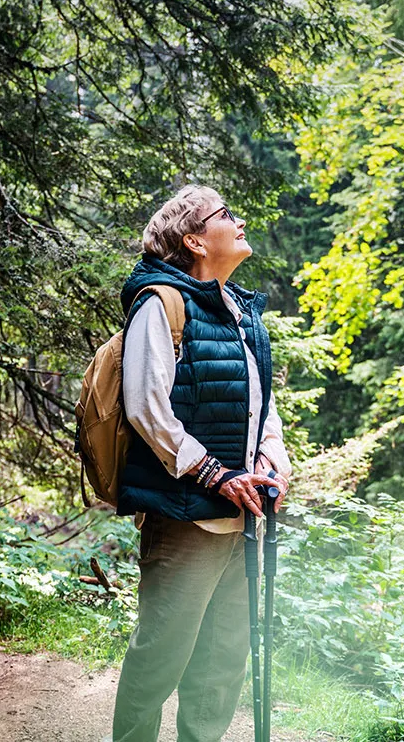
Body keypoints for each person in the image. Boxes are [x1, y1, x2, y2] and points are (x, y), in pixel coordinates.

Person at [111, 185, 292, 742]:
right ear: (193, 239)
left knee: (221, 662)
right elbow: (146, 406)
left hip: (243, 517)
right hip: (187, 514)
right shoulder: (161, 302)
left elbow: (264, 409)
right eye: (224, 215)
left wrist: (271, 459)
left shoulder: (240, 311)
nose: (238, 222)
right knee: (161, 656)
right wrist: (216, 473)